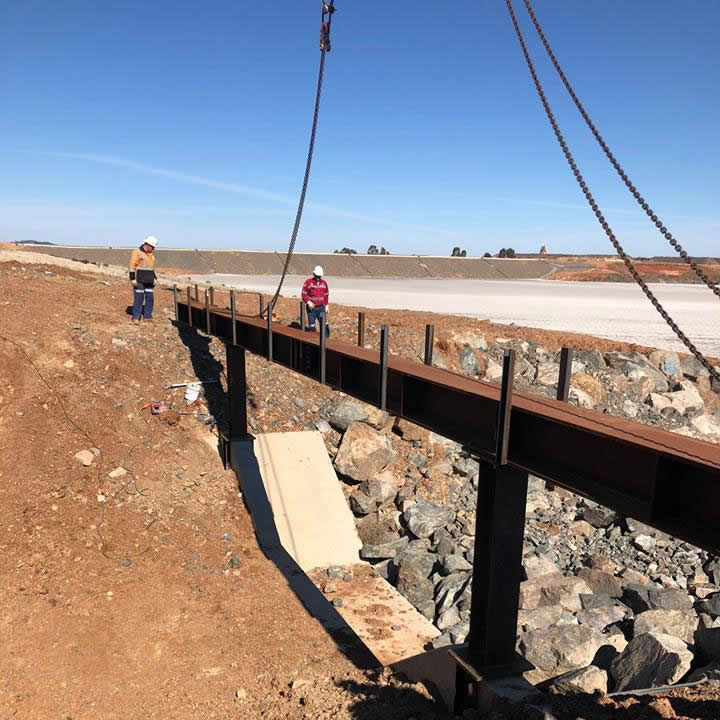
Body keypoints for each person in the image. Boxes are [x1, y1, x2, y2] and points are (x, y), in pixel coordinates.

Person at [128, 235, 158, 325]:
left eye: (154, 247)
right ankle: (136, 317)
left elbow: (151, 268)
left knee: (150, 298)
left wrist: (155, 278)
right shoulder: (137, 252)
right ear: (147, 244)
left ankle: (147, 316)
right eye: (152, 247)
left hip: (149, 281)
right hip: (139, 280)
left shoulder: (152, 256)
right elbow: (132, 265)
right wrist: (132, 278)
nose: (153, 249)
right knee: (139, 298)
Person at [301, 265, 330, 333]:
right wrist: (308, 302)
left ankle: (326, 339)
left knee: (324, 324)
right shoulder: (308, 282)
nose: (318, 277)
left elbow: (326, 295)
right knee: (312, 326)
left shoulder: (324, 283)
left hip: (321, 308)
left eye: (319, 276)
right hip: (311, 309)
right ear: (314, 274)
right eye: (317, 275)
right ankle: (312, 340)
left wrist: (326, 305)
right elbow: (303, 294)